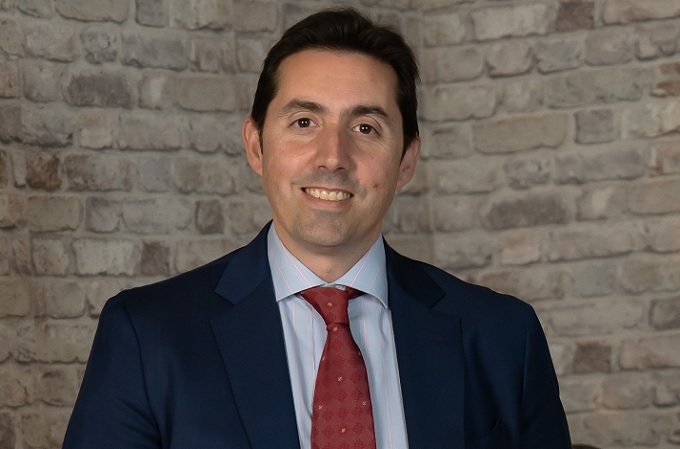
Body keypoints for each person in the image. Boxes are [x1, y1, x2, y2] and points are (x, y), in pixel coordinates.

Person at [62, 8, 571, 449]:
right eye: (304, 122)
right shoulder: (148, 336)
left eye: (365, 128)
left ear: (406, 159)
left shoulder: (505, 337)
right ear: (257, 146)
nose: (333, 157)